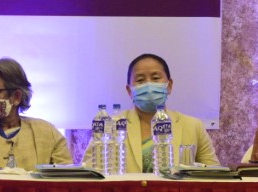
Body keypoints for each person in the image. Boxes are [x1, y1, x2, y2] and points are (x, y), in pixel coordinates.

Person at [85, 53, 218, 171]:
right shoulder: (111, 126)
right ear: (129, 91)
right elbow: (89, 172)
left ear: (169, 85)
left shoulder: (193, 126)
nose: (148, 85)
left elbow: (214, 175)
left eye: (155, 78)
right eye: (140, 80)